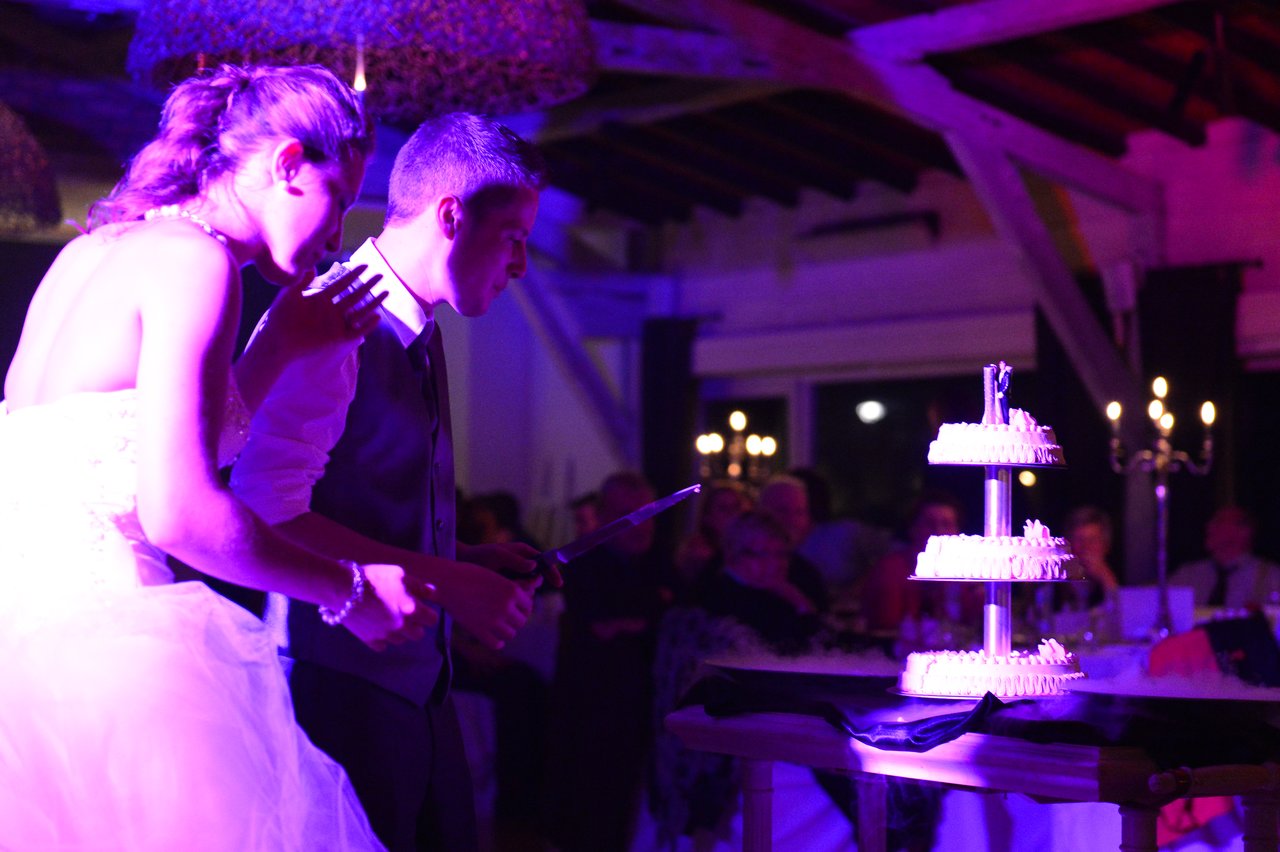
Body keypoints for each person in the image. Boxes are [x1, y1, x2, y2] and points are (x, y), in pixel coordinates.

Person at [0, 64, 435, 848]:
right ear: (288, 165)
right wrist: (348, 591)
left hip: (23, 654)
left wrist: (274, 346)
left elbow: (135, 442)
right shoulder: (194, 262)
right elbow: (180, 513)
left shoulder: (93, 252)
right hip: (110, 667)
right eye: (338, 200)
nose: (339, 236)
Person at [230, 112, 547, 851]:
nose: (521, 265)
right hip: (336, 687)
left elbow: (359, 493)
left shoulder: (418, 324)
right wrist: (448, 578)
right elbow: (262, 509)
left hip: (415, 688)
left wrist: (461, 557)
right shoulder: (335, 318)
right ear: (451, 216)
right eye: (514, 239)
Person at [545, 470, 676, 851]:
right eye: (627, 515)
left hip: (647, 699)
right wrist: (642, 621)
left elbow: (670, 621)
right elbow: (600, 629)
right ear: (604, 517)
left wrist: (636, 624)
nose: (640, 525)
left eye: (647, 513)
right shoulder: (583, 566)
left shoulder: (661, 562)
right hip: (594, 700)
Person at [1170, 505, 1280, 609]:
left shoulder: (1270, 578)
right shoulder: (1188, 576)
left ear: (1244, 532)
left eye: (1219, 522)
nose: (1209, 526)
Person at [673, 479, 752, 602]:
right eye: (724, 509)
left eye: (736, 507)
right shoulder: (700, 556)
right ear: (707, 517)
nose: (733, 514)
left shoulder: (750, 551)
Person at [1060, 505, 1121, 611]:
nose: (1086, 547)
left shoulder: (1123, 579)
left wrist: (1107, 579)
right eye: (1079, 540)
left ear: (1105, 545)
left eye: (1093, 540)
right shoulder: (1054, 582)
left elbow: (1124, 618)